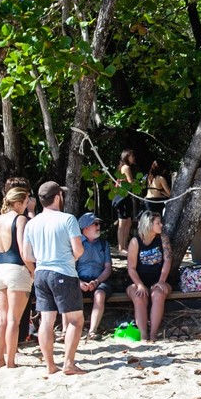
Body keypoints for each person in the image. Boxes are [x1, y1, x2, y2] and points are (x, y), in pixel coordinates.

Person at [22, 181, 86, 375]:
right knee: (75, 320)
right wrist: (68, 257)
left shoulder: (32, 223)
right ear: (57, 197)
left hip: (41, 273)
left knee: (46, 321)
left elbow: (27, 256)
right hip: (63, 272)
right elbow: (78, 250)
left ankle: (50, 365)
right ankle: (68, 362)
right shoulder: (68, 219)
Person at [0, 186, 31, 368]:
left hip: (0, 269)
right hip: (16, 269)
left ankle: (0, 360)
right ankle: (11, 361)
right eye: (25, 202)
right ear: (18, 203)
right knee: (13, 320)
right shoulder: (20, 220)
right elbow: (23, 249)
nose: (26, 206)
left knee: (2, 318)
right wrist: (32, 270)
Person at [127, 210, 172, 343]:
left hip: (158, 278)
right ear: (149, 224)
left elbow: (168, 260)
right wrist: (139, 284)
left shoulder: (163, 238)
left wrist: (162, 281)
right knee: (139, 296)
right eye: (158, 223)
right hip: (137, 279)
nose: (161, 225)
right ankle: (143, 335)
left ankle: (153, 334)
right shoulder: (136, 242)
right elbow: (131, 268)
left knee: (158, 294)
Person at [77, 212, 113, 341]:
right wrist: (79, 282)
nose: (98, 227)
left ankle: (92, 331)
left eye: (98, 224)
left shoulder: (104, 244)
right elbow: (69, 267)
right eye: (95, 224)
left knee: (100, 295)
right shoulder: (76, 244)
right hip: (79, 279)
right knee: (71, 293)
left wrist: (97, 281)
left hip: (99, 279)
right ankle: (72, 330)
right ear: (85, 228)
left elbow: (108, 268)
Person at [114, 149, 138, 252]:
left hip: (126, 196)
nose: (133, 158)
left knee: (128, 221)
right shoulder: (126, 167)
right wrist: (138, 183)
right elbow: (130, 182)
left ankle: (125, 245)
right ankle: (121, 247)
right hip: (122, 197)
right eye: (132, 156)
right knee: (122, 222)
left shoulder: (125, 167)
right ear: (127, 157)